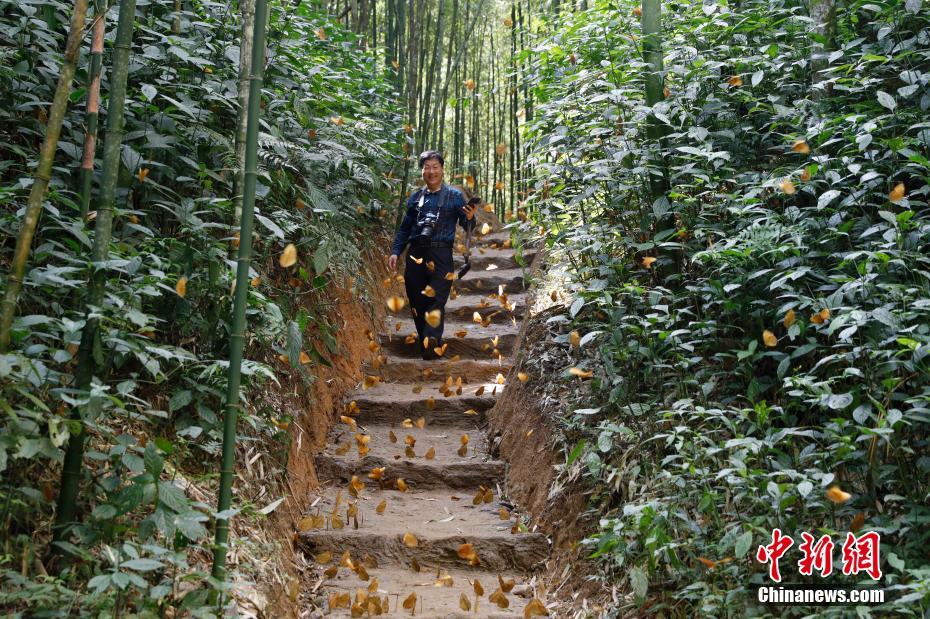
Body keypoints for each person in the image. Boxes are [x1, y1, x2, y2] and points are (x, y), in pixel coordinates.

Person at [388, 150, 477, 360]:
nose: (431, 171)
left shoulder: (454, 196)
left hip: (441, 253)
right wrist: (395, 251)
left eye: (435, 167)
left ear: (442, 169)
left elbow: (467, 225)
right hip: (416, 251)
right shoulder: (415, 197)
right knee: (417, 300)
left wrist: (471, 217)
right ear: (422, 171)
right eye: (427, 167)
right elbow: (405, 228)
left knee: (437, 298)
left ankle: (432, 341)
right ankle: (426, 339)